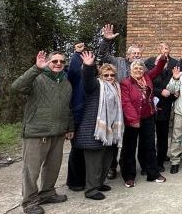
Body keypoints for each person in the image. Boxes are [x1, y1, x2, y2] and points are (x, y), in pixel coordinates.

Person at [11, 51, 74, 214]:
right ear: (47, 62)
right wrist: (35, 68)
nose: (58, 63)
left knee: (53, 166)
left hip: (58, 131)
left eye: (62, 61)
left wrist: (70, 127)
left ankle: (47, 193)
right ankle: (29, 201)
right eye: (54, 61)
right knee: (31, 170)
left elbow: (68, 107)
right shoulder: (37, 78)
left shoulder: (66, 82)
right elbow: (16, 87)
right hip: (37, 132)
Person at [75, 51, 123, 200]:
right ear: (100, 76)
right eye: (106, 75)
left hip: (110, 131)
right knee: (94, 162)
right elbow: (87, 79)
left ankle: (99, 183)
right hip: (94, 129)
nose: (109, 78)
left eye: (112, 75)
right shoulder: (96, 85)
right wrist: (88, 67)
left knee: (106, 159)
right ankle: (91, 189)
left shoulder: (116, 88)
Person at [98, 23, 142, 180]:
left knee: (128, 140)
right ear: (128, 55)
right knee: (114, 137)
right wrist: (106, 41)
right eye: (134, 53)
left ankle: (127, 165)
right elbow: (103, 56)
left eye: (139, 53)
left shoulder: (142, 68)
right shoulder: (118, 62)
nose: (136, 55)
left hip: (133, 109)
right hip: (116, 106)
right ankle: (111, 166)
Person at [120, 56, 168, 187]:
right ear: (131, 70)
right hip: (132, 119)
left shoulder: (147, 78)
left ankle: (153, 173)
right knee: (129, 148)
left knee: (149, 146)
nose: (138, 70)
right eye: (135, 68)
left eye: (140, 68)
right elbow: (126, 103)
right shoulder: (125, 83)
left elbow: (157, 69)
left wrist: (163, 59)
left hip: (148, 117)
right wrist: (134, 119)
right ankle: (129, 176)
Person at [144, 42, 180, 173]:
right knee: (148, 134)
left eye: (167, 48)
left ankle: (160, 160)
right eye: (163, 48)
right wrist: (160, 91)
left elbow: (177, 79)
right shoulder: (150, 62)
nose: (165, 50)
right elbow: (147, 81)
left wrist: (174, 92)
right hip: (151, 101)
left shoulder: (175, 62)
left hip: (166, 103)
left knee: (163, 133)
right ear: (158, 49)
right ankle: (149, 160)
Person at [66, 43, 86, 192]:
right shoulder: (75, 77)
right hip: (78, 116)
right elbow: (73, 70)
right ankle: (74, 181)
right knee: (77, 149)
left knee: (88, 150)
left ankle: (87, 178)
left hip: (90, 117)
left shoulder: (93, 77)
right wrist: (76, 54)